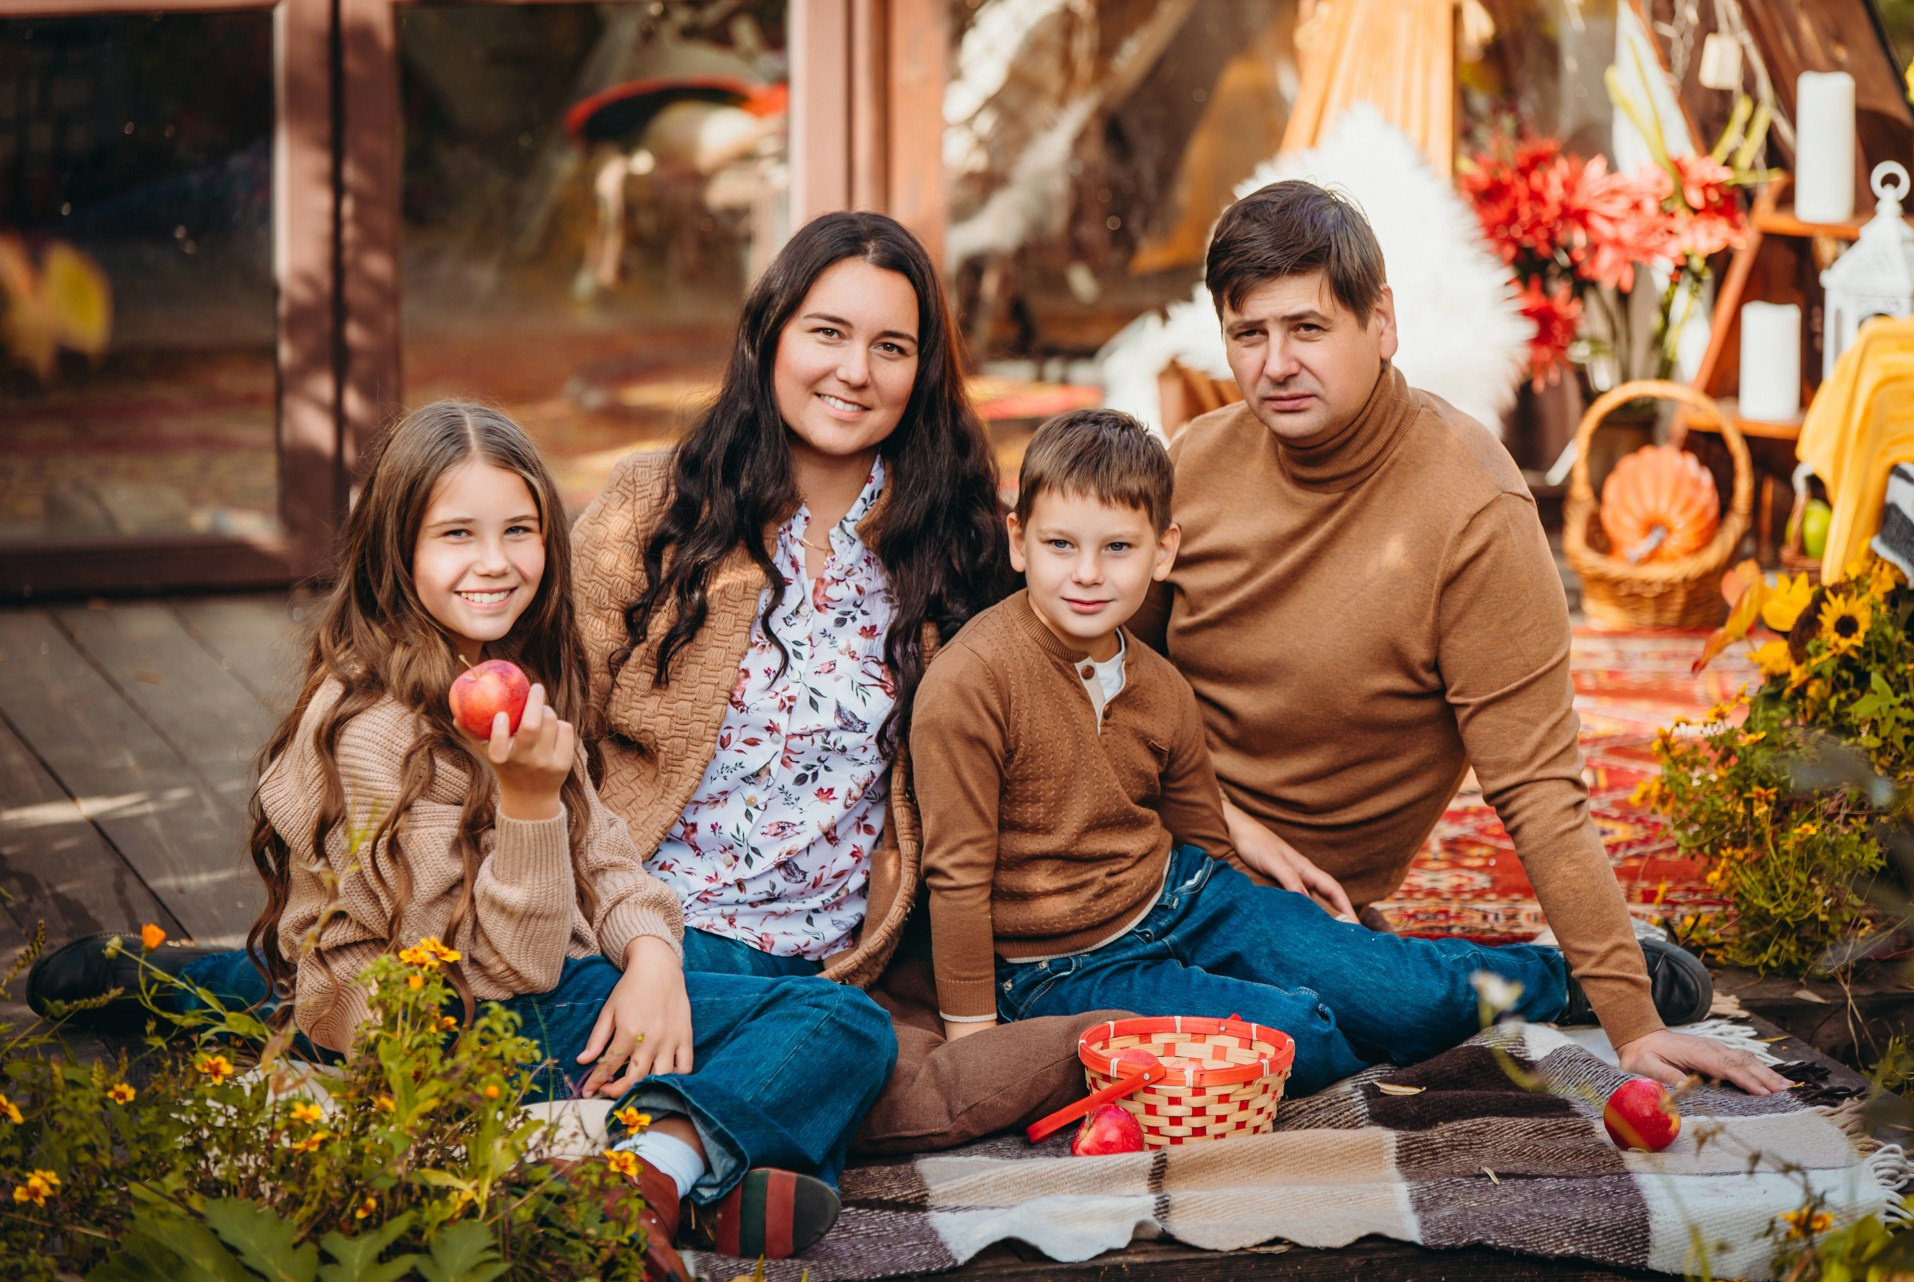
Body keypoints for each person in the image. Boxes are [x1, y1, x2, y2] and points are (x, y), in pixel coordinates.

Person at [30, 401, 896, 1279]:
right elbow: (494, 975)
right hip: (453, 1029)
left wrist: (653, 960)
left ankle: (659, 1170)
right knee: (840, 1025)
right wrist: (526, 807)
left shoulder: (513, 673)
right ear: (395, 552)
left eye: (519, 529)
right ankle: (646, 1173)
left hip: (536, 999)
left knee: (830, 1024)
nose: (494, 562)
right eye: (457, 534)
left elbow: (607, 859)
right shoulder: (374, 734)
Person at [1128, 179, 1790, 1094]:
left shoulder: (1470, 506)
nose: (1275, 364)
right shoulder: (1193, 463)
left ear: (1382, 322)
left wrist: (1632, 1023)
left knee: (1340, 1028)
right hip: (1149, 840)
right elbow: (1103, 678)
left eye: (1308, 329)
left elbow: (1538, 788)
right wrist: (1218, 822)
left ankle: (1553, 976)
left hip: (1294, 906)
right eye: (1250, 334)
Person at [910, 408, 1702, 1093]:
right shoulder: (973, 684)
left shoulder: (1158, 685)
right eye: (1060, 546)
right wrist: (974, 1038)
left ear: (1164, 553)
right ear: (1019, 542)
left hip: (1183, 896)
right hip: (1065, 963)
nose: (1087, 574)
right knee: (1300, 1037)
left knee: (1397, 993)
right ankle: (1347, 1029)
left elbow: (1204, 833)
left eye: (1117, 549)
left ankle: (1570, 978)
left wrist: (1281, 932)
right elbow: (957, 873)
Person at [567, 209, 1117, 1148]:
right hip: (640, 940)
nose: (855, 371)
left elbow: (1087, 684)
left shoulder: (959, 548)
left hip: (823, 974)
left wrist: (1230, 826)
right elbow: (550, 736)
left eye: (891, 346)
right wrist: (642, 945)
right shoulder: (650, 505)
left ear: (924, 371)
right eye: (827, 332)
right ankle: (709, 1154)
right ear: (770, 336)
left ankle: (659, 1155)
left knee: (851, 1036)